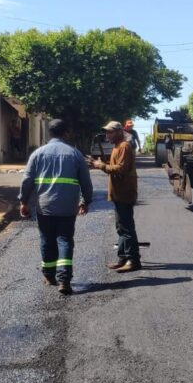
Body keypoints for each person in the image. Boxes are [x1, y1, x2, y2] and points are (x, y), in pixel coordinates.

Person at [18, 119, 93, 295]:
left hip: (45, 206)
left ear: (50, 133)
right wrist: (85, 201)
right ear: (66, 133)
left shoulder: (38, 154)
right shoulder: (75, 154)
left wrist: (23, 201)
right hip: (67, 207)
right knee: (65, 240)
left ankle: (49, 275)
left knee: (46, 240)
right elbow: (86, 183)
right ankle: (64, 280)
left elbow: (27, 180)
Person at [89, 120, 141, 273]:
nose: (107, 135)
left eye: (110, 132)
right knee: (121, 227)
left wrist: (101, 166)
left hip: (125, 193)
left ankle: (133, 260)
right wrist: (100, 164)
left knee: (126, 228)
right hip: (119, 193)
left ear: (119, 132)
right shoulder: (117, 147)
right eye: (106, 132)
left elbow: (121, 169)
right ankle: (123, 258)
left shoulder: (124, 146)